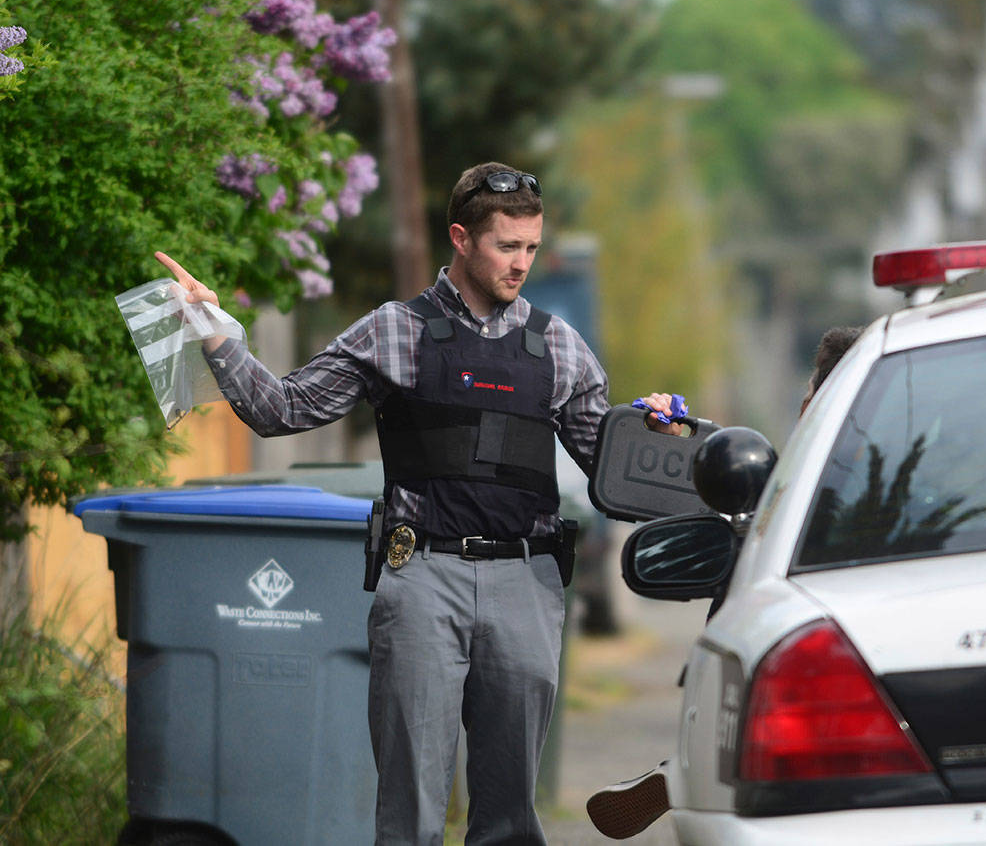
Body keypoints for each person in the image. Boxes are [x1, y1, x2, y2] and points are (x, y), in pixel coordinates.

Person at [155, 161, 684, 845]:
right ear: (461, 238)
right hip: (422, 578)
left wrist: (659, 436)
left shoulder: (559, 347)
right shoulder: (394, 331)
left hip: (526, 581)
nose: (521, 263)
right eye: (505, 246)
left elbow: (611, 473)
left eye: (530, 246)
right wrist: (216, 329)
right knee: (410, 807)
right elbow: (280, 408)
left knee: (510, 813)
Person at [586, 324, 861, 840]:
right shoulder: (917, 492)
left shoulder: (789, 495)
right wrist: (674, 445)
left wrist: (674, 448)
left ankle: (697, 757)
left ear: (814, 405)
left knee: (739, 587)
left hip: (793, 657)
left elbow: (715, 504)